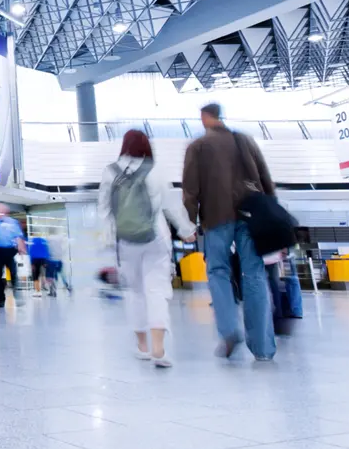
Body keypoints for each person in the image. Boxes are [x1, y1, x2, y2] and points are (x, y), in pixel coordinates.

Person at [183, 102, 277, 361]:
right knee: (254, 274)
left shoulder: (198, 147)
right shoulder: (244, 141)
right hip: (251, 216)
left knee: (218, 271)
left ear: (204, 118)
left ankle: (228, 330)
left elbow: (190, 189)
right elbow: (265, 178)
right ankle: (263, 348)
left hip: (216, 217)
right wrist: (272, 213)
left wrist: (189, 223)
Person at [100, 130, 195, 367]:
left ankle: (142, 347)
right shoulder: (155, 170)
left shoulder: (110, 172)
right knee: (157, 291)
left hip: (125, 242)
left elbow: (105, 211)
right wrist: (186, 230)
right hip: (156, 239)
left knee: (135, 293)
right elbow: (172, 206)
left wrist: (109, 241)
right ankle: (159, 349)